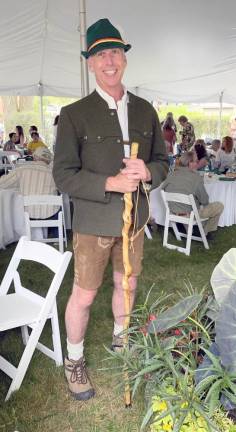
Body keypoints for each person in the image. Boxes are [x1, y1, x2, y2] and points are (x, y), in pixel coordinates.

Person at [53, 18, 168, 401]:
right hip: (92, 222)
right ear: (90, 62)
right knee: (84, 294)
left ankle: (122, 341)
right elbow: (63, 175)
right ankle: (74, 360)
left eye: (115, 52)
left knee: (128, 283)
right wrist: (109, 183)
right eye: (101, 54)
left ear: (124, 58)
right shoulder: (74, 114)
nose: (109, 61)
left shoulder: (146, 110)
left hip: (133, 221)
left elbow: (163, 162)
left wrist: (147, 171)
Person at [162, 151, 224, 237]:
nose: (197, 163)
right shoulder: (195, 177)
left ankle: (194, 229)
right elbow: (205, 201)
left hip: (173, 211)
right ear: (190, 163)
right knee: (219, 206)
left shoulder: (170, 174)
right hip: (190, 214)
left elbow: (163, 189)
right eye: (195, 161)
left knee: (197, 205)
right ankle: (204, 232)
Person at [0, 146, 58, 219]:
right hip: (50, 213)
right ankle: (59, 230)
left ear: (34, 157)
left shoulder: (22, 169)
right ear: (49, 161)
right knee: (59, 208)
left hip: (27, 214)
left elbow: (2, 183)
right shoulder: (55, 174)